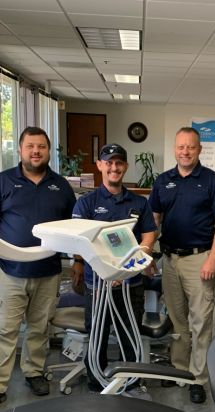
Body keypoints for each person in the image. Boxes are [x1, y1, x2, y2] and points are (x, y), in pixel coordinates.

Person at [0, 126, 75, 412]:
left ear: (48, 151)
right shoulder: (3, 182)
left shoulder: (60, 186)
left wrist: (78, 260)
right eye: (30, 146)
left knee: (39, 329)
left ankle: (34, 372)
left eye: (41, 146)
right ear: (20, 150)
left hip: (48, 272)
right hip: (9, 272)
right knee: (4, 331)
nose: (35, 151)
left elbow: (73, 226)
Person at [149, 127, 215, 403]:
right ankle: (179, 369)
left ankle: (198, 378)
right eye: (181, 147)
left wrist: (213, 258)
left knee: (201, 322)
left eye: (191, 147)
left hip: (200, 259)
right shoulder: (163, 181)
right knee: (177, 320)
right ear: (175, 149)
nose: (185, 152)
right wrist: (147, 254)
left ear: (199, 150)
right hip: (170, 259)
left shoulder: (212, 181)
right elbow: (154, 220)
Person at [72, 143, 157, 390]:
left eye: (119, 163)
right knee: (97, 334)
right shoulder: (87, 203)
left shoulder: (139, 203)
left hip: (131, 283)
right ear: (99, 165)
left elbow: (149, 235)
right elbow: (79, 242)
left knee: (129, 334)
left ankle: (130, 382)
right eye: (108, 162)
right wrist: (107, 272)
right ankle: (96, 383)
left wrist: (127, 267)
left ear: (125, 166)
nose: (114, 168)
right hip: (98, 284)